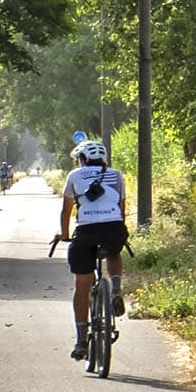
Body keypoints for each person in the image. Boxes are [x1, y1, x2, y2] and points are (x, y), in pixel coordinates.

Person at [56, 137, 128, 360]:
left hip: (87, 232)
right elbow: (121, 208)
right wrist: (119, 231)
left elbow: (66, 210)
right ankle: (116, 288)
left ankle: (81, 340)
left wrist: (65, 235)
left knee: (82, 285)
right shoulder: (116, 175)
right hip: (114, 227)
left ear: (83, 159)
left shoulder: (75, 176)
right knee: (114, 251)